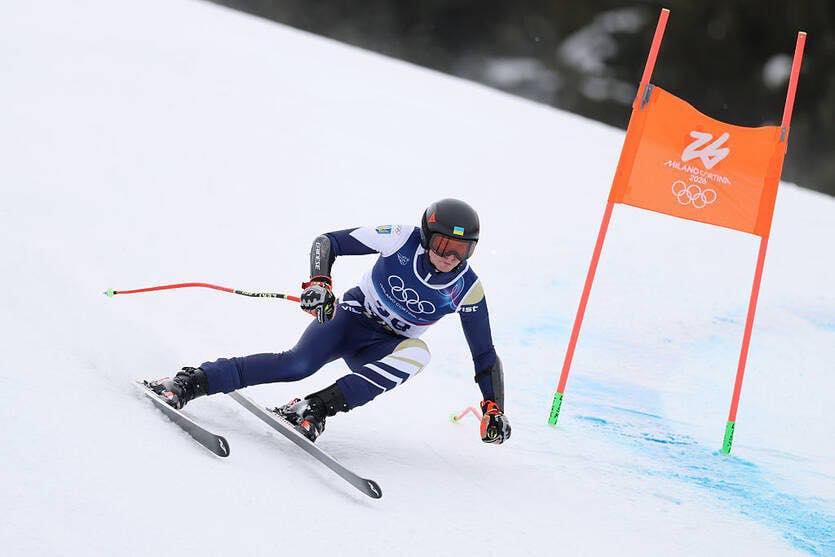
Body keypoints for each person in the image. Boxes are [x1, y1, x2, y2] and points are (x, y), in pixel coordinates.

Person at [147, 198, 510, 445]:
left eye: (461, 250)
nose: (450, 257)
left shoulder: (467, 288)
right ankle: (191, 381)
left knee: (419, 355)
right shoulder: (401, 239)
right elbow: (328, 241)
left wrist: (494, 407)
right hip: (351, 316)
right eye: (443, 245)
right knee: (296, 364)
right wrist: (320, 281)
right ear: (426, 236)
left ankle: (314, 408)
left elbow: (484, 353)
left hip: (384, 346)